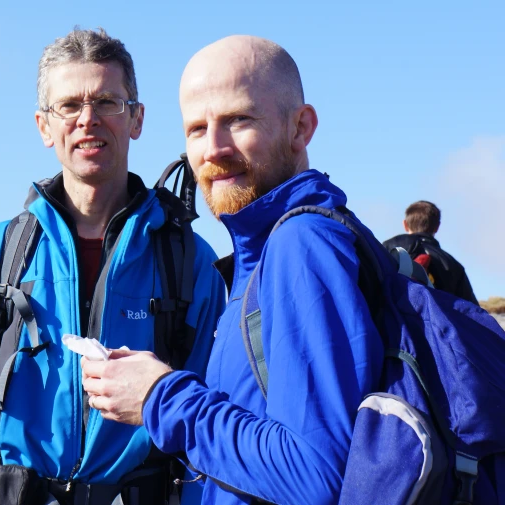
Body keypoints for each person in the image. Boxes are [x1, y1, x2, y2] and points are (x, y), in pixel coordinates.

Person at [0, 27, 225, 505]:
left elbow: (211, 422)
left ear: (136, 119)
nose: (87, 120)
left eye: (107, 103)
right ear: (43, 125)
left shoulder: (189, 262)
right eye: (69, 106)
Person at [82, 35, 386, 505]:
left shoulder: (301, 245)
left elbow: (315, 476)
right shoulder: (260, 255)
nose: (213, 149)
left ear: (300, 127)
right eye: (197, 129)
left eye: (238, 119)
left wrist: (159, 396)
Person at [383, 200, 478, 304]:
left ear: (405, 224)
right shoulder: (453, 265)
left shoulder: (390, 247)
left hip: (392, 315)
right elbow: (470, 308)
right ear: (437, 227)